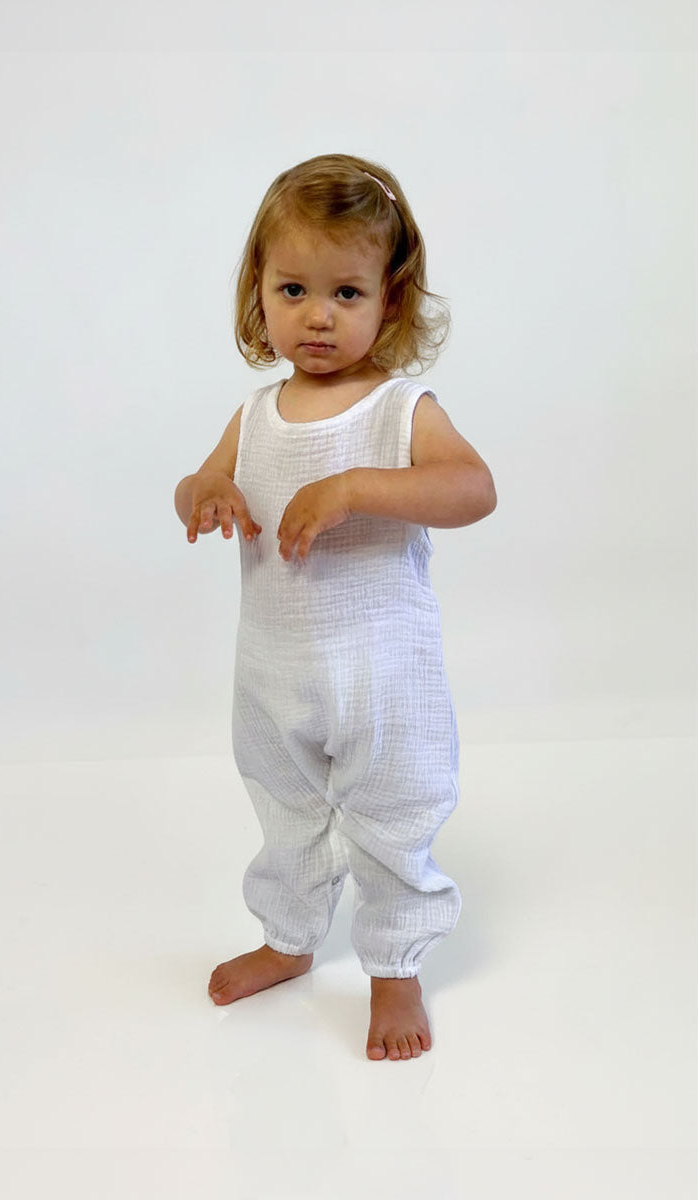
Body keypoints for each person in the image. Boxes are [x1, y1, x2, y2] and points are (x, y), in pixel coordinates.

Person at [173, 153, 496, 1061]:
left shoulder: (398, 409)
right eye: (294, 289)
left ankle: (395, 966)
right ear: (259, 291)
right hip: (273, 675)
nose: (318, 315)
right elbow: (198, 480)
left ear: (390, 299)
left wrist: (356, 486)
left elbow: (473, 489)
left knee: (392, 814)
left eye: (347, 292)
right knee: (286, 812)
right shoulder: (257, 414)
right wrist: (205, 491)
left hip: (380, 676)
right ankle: (288, 939)